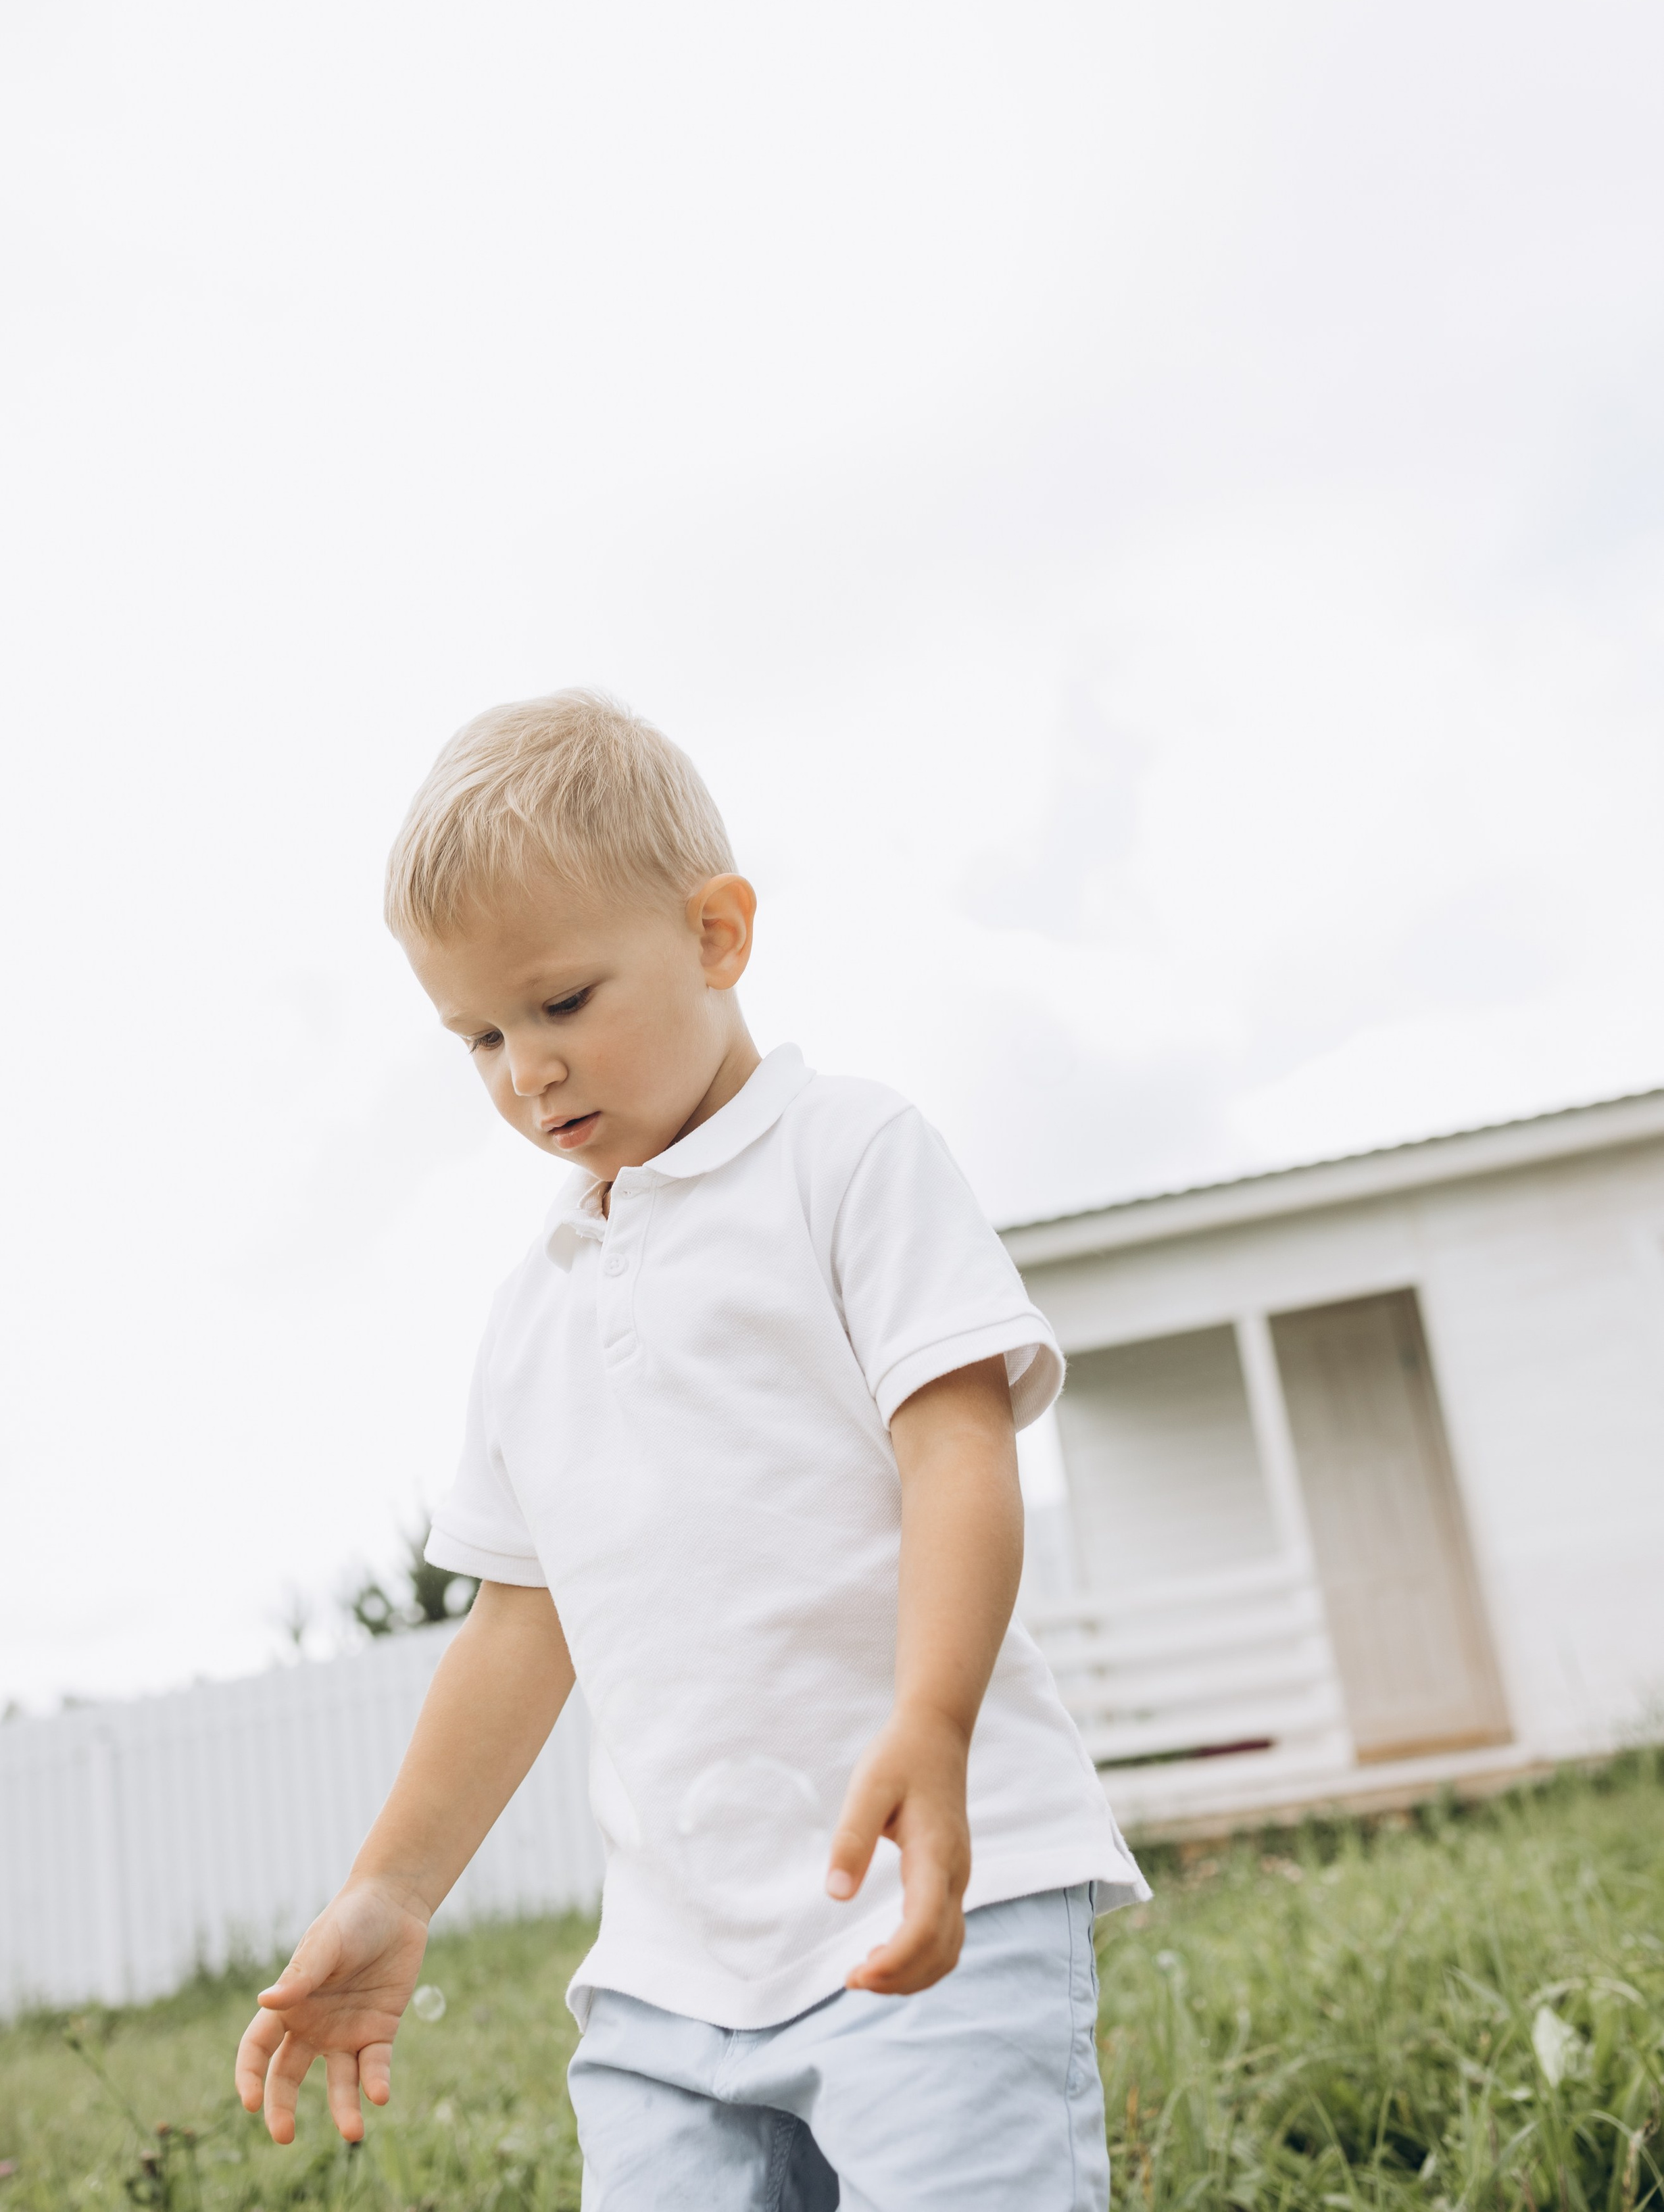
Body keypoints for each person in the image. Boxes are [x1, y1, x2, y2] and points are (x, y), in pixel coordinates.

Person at [234, 691, 1146, 2207]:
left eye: (564, 1001)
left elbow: (957, 1449)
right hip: (669, 1979)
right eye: (478, 1034)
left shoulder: (846, 1160)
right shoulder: (535, 1310)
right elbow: (521, 1628)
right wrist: (391, 1891)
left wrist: (930, 1719)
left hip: (926, 1905)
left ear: (716, 936)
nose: (526, 1068)